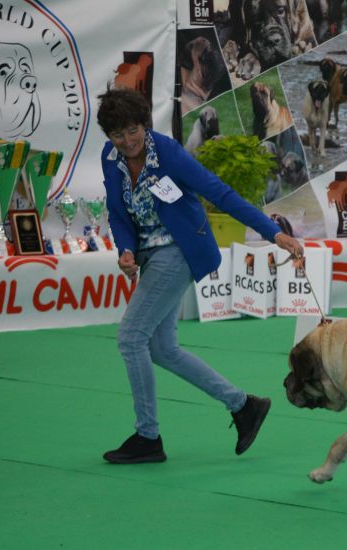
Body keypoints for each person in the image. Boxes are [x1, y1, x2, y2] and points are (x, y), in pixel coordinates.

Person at [97, 88, 304, 464]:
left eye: (132, 130)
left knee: (130, 338)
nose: (127, 142)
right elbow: (117, 213)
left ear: (144, 124)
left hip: (180, 250)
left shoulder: (169, 153)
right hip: (148, 255)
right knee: (162, 349)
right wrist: (125, 250)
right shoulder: (110, 159)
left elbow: (220, 194)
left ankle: (148, 436)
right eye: (117, 134)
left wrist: (273, 232)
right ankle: (244, 406)